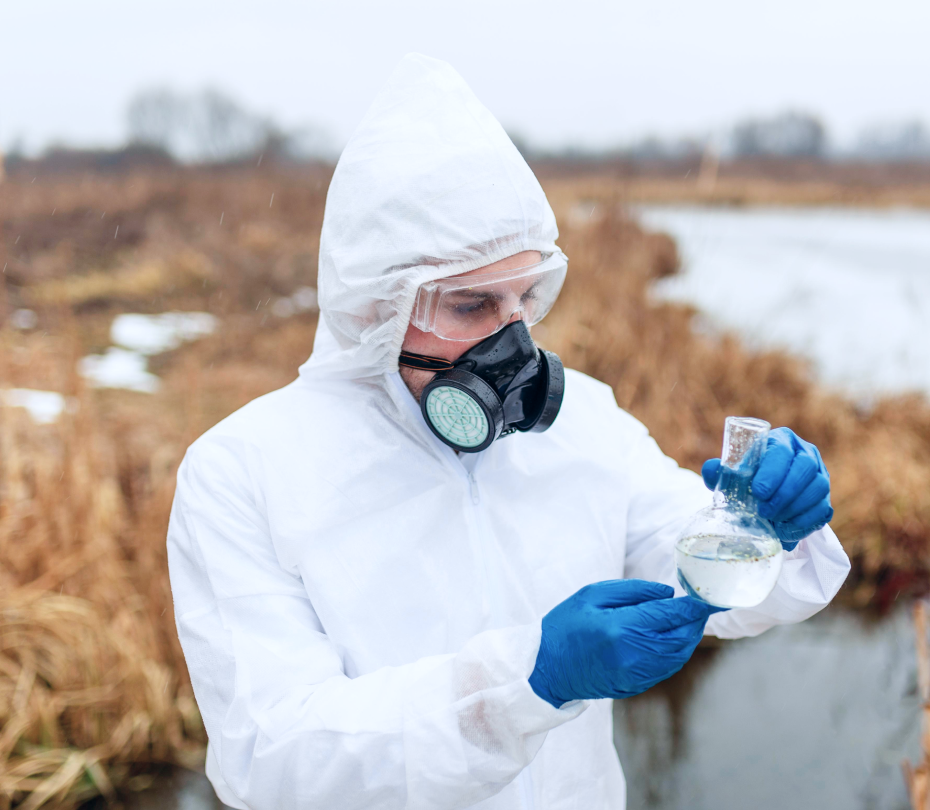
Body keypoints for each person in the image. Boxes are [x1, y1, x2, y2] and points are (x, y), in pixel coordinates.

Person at [167, 54, 849, 810]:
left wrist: (766, 526)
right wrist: (526, 683)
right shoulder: (245, 473)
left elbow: (708, 579)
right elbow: (274, 759)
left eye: (525, 296)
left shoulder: (580, 420)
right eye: (471, 307)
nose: (513, 342)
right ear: (373, 308)